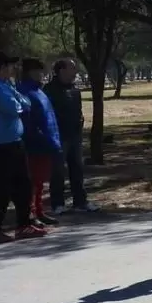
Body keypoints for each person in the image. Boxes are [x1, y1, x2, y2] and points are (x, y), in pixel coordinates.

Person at [0, 52, 46, 242]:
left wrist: (17, 99)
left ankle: (24, 224)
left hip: (14, 141)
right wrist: (18, 102)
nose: (14, 69)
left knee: (23, 184)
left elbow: (26, 103)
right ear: (2, 67)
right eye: (11, 65)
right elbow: (13, 107)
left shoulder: (5, 84)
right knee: (0, 188)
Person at [44, 58, 99, 214]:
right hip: (59, 136)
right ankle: (57, 204)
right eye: (72, 68)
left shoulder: (75, 90)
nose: (75, 72)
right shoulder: (49, 90)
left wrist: (80, 122)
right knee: (58, 171)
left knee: (77, 169)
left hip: (75, 136)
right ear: (61, 70)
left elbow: (78, 111)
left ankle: (80, 202)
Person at [16, 58, 62, 227]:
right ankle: (31, 213)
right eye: (39, 71)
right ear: (30, 72)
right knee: (33, 181)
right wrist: (40, 137)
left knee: (41, 180)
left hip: (47, 142)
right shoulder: (24, 92)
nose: (42, 74)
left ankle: (39, 211)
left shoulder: (40, 91)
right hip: (34, 144)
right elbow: (28, 122)